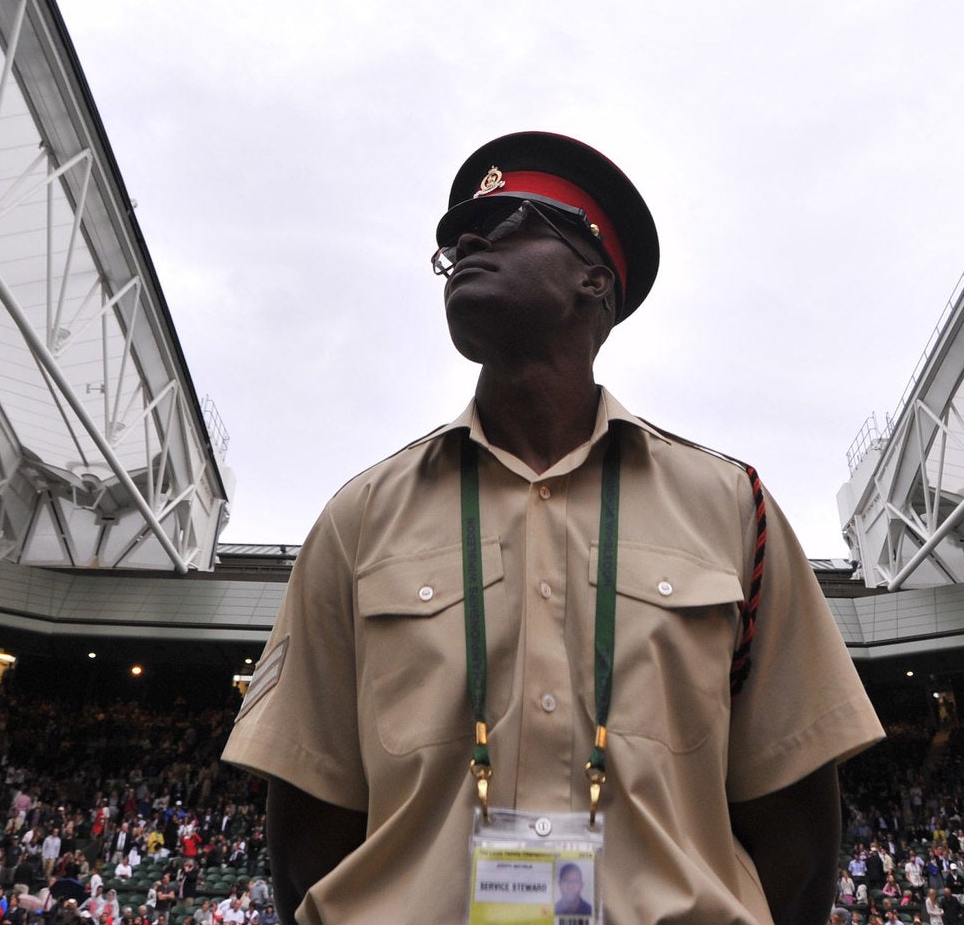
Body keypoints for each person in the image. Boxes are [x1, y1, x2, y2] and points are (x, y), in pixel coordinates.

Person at [223, 133, 883, 925]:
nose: (466, 241)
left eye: (506, 222)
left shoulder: (733, 508)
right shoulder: (359, 517)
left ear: (593, 279)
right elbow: (308, 825)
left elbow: (797, 828)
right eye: (457, 237)